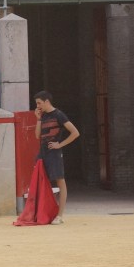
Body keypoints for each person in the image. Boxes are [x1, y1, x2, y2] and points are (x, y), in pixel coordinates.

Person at [34, 90, 80, 225]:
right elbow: (37, 136)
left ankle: (60, 215)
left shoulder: (59, 115)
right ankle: (44, 213)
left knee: (60, 182)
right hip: (42, 152)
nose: (38, 106)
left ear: (47, 101)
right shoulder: (43, 116)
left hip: (54, 153)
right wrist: (38, 119)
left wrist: (59, 144)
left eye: (39, 103)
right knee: (41, 182)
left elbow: (75, 132)